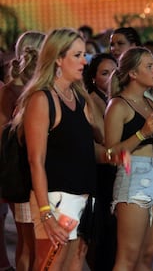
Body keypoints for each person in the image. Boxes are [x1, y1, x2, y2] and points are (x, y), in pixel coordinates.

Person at [12, 27, 119, 270]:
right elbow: (35, 160)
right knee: (51, 265)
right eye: (77, 55)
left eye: (84, 55)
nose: (84, 61)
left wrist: (112, 155)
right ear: (58, 58)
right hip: (57, 199)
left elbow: (85, 148)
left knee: (75, 264)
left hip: (84, 196)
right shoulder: (42, 99)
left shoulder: (78, 97)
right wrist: (45, 213)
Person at [105, 46, 153, 271]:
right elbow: (111, 154)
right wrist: (142, 133)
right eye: (149, 66)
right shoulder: (118, 105)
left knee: (147, 255)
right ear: (133, 73)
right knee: (128, 257)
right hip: (134, 177)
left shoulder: (151, 102)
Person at [0, 30, 45, 271]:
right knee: (29, 244)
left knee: (33, 243)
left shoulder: (34, 87)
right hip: (23, 173)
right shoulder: (14, 91)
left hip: (36, 173)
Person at [83, 52, 118, 270]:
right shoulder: (90, 100)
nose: (111, 77)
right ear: (94, 78)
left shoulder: (116, 99)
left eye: (115, 72)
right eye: (105, 73)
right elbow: (104, 139)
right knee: (103, 231)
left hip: (117, 171)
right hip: (100, 174)